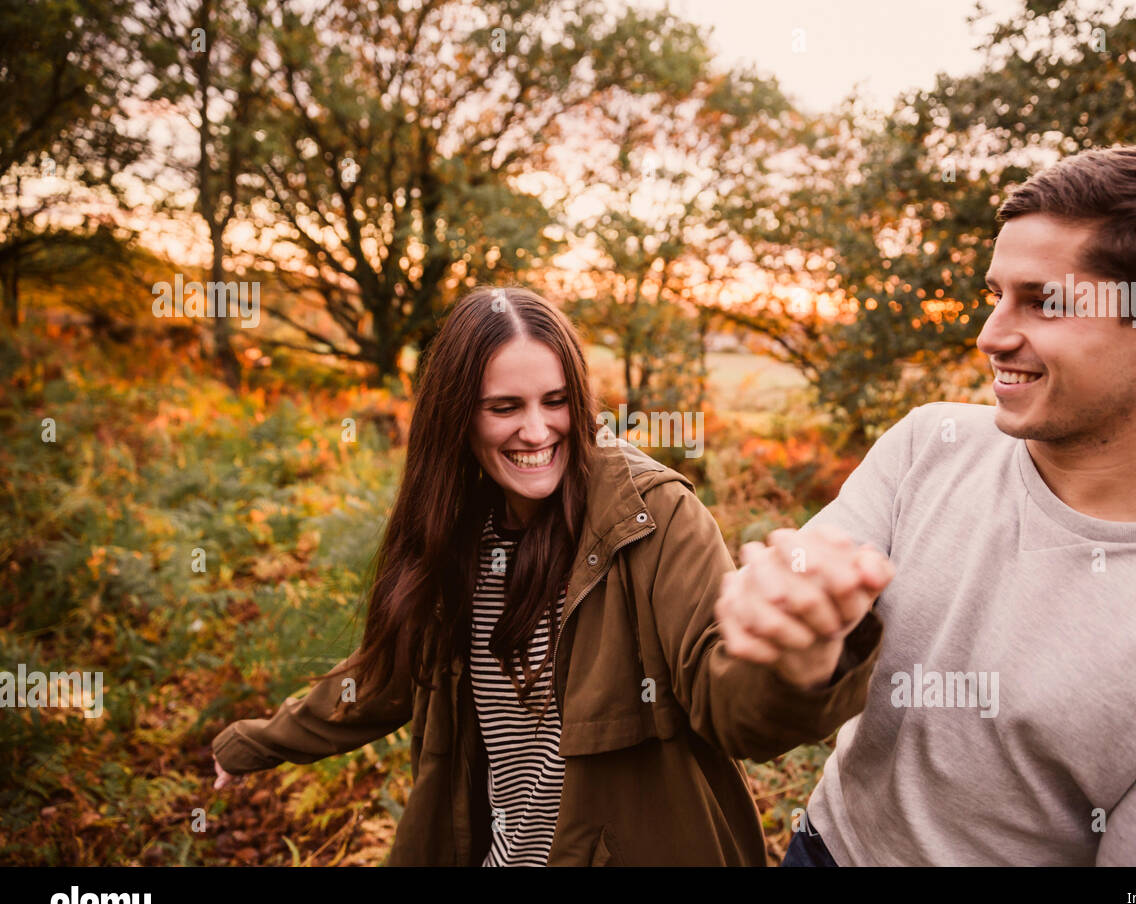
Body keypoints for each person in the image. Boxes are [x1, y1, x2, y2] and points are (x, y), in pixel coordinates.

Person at [717, 145, 1136, 866]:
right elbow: (753, 713)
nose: (992, 335)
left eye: (1043, 300)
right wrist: (797, 651)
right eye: (997, 294)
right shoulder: (927, 446)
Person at [211, 286, 889, 866]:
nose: (537, 431)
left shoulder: (652, 517)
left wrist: (801, 660)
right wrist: (253, 744)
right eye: (505, 407)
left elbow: (730, 705)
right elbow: (385, 675)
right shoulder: (457, 530)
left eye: (556, 401)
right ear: (458, 418)